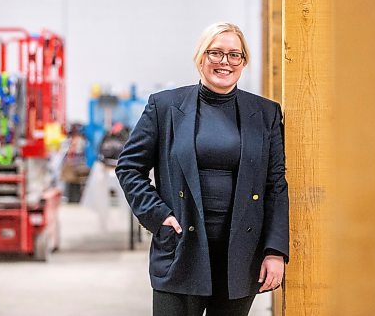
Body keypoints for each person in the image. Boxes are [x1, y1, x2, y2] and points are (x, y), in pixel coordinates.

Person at [115, 22, 289, 316]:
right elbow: (129, 167)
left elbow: (276, 185)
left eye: (235, 55)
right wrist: (159, 216)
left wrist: (274, 250)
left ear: (244, 62)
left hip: (240, 254)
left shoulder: (265, 113)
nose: (225, 62)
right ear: (200, 57)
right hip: (182, 248)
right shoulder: (165, 107)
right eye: (216, 53)